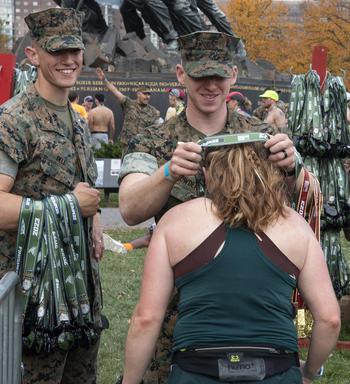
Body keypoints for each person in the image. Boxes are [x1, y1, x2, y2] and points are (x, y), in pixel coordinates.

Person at [117, 31, 305, 382]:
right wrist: (167, 173)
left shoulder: (262, 136)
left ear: (233, 75)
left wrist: (294, 169)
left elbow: (309, 205)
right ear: (180, 74)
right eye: (200, 75)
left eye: (218, 76)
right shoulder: (154, 141)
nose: (210, 85)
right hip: (178, 318)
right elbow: (129, 208)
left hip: (257, 320)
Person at [121, 133, 340, 384]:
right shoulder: (294, 225)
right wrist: (309, 371)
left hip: (195, 369)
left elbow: (146, 318)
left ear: (207, 171)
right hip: (277, 369)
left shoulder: (174, 221)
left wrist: (129, 381)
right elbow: (329, 319)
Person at [0, 8, 104, 383]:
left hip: (80, 295)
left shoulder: (77, 118)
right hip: (33, 302)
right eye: (57, 51)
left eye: (74, 50)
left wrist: (91, 223)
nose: (68, 60)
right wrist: (69, 207)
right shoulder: (14, 120)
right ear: (33, 55)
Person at [95, 67, 160, 150]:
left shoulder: (153, 111)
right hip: (126, 146)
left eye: (149, 94)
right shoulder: (129, 104)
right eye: (145, 94)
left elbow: (156, 132)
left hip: (143, 148)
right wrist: (104, 80)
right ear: (138, 94)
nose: (147, 97)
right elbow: (115, 91)